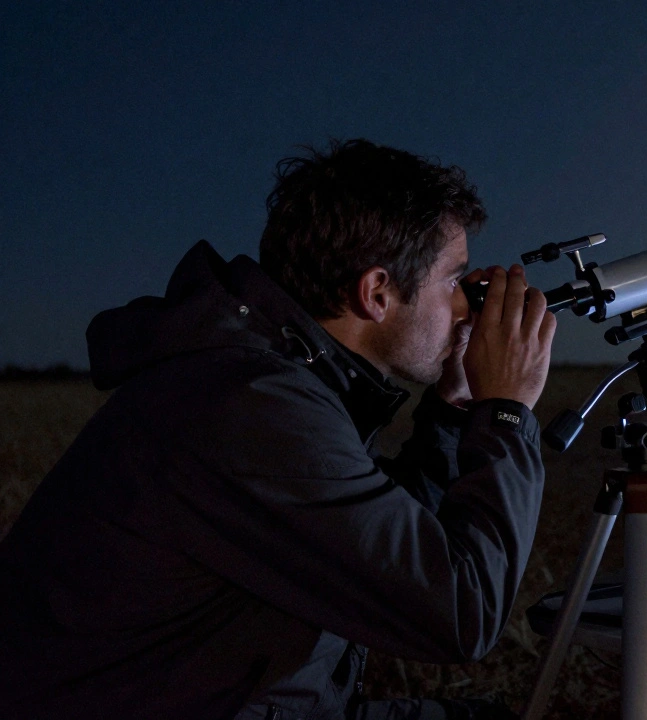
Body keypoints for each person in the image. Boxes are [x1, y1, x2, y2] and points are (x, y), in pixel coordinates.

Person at [0, 139, 556, 719]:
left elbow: (383, 548)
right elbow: (460, 616)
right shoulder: (247, 407)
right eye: (453, 281)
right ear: (377, 293)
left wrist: (451, 409)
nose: (466, 307)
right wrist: (508, 411)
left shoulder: (277, 376)